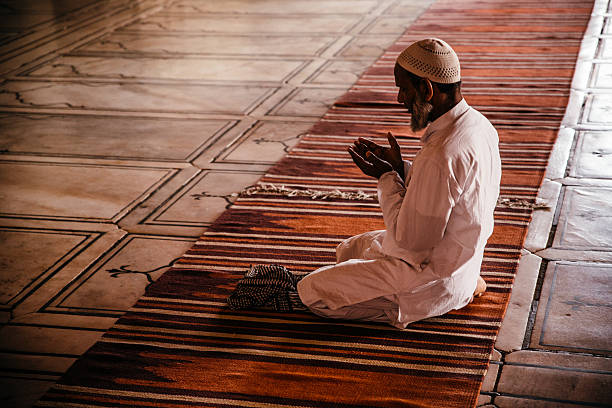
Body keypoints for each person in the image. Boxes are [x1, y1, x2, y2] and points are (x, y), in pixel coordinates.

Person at [295, 38, 501, 328]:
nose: (400, 99)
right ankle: (464, 283)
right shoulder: (479, 125)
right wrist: (399, 168)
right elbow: (449, 192)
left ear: (427, 89)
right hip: (455, 257)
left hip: (427, 274)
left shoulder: (440, 153)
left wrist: (386, 178)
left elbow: (411, 241)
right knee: (349, 249)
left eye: (404, 89)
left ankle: (427, 303)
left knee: (311, 292)